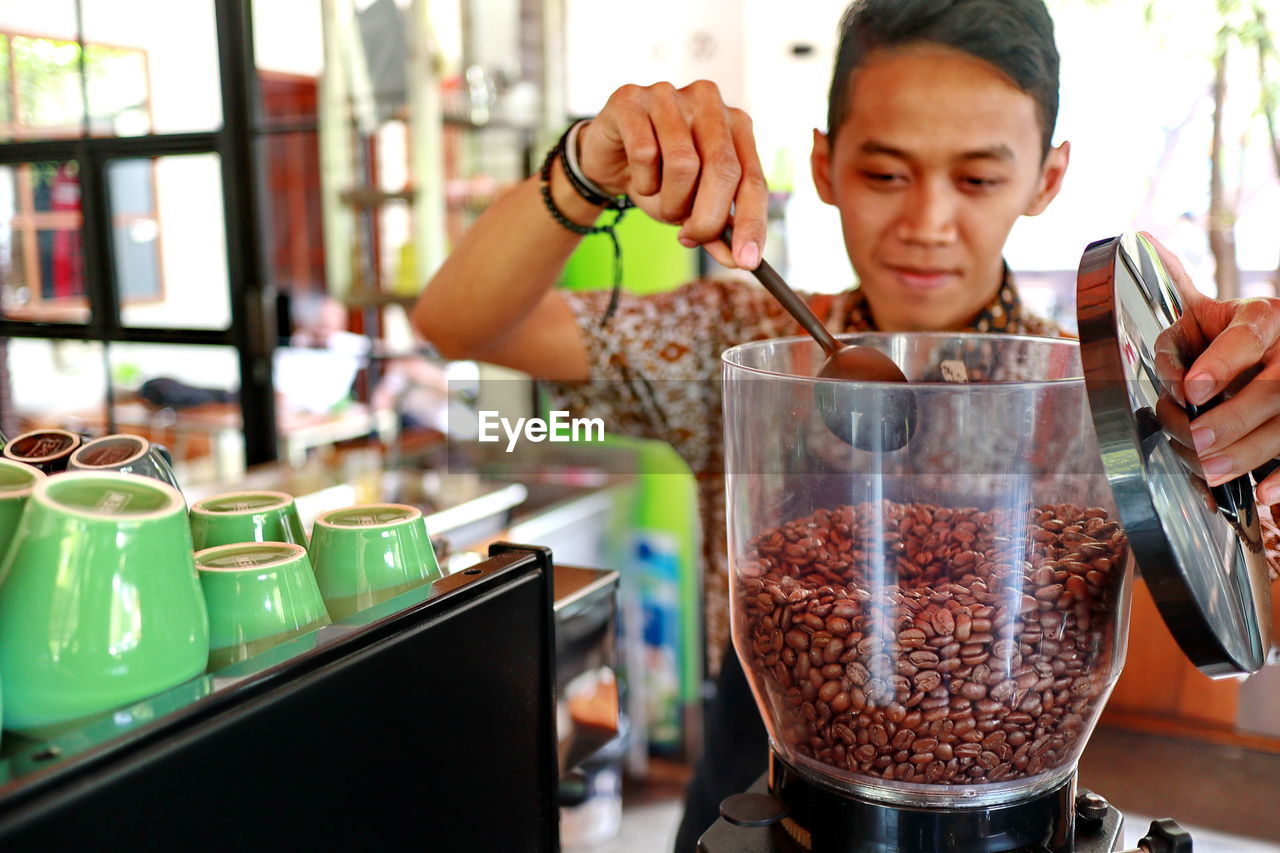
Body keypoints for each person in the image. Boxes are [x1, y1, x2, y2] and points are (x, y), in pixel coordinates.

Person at [413, 0, 1280, 848]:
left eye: (977, 177)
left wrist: (1250, 421)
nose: (927, 223)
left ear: (1046, 178)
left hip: (1020, 797)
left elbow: (1245, 561)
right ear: (824, 167)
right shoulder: (748, 344)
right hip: (758, 780)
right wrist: (587, 164)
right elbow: (459, 324)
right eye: (884, 172)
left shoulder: (1103, 394)